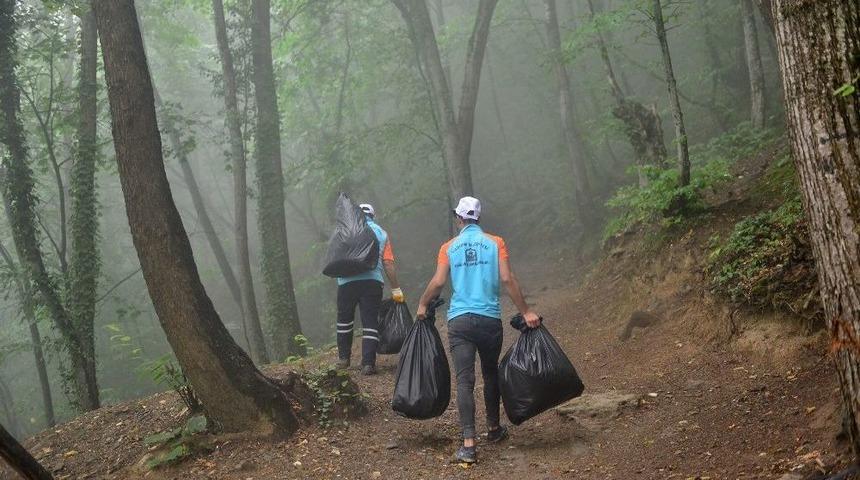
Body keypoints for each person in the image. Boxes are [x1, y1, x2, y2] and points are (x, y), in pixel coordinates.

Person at [416, 196, 541, 464]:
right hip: (489, 320)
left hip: (459, 321)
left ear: (459, 219)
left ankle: (469, 444)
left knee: (464, 380)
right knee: (490, 372)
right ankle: (494, 429)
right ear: (478, 218)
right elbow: (507, 278)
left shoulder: (448, 247)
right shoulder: (496, 243)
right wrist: (526, 311)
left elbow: (438, 281)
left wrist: (423, 304)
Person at [336, 203, 403, 375]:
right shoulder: (381, 233)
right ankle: (368, 363)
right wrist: (396, 289)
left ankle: (343, 359)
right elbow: (388, 263)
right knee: (370, 322)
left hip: (346, 282)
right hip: (372, 282)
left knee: (344, 320)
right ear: (373, 215)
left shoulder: (345, 229)